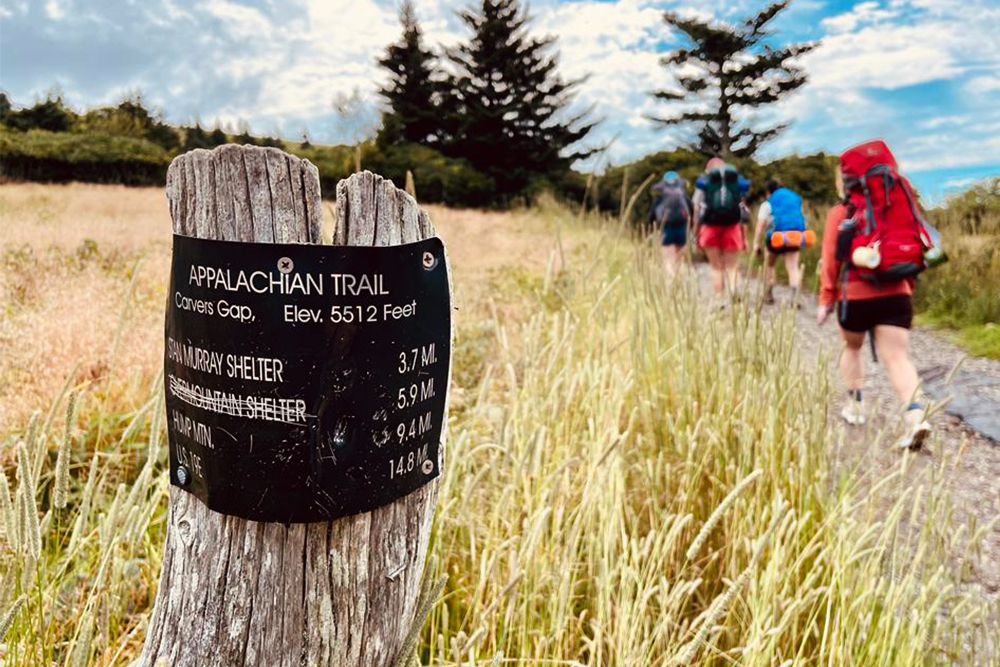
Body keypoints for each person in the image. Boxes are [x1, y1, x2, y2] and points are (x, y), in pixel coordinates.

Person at [816, 141, 932, 450]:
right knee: (897, 357)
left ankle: (855, 407)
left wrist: (826, 299)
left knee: (851, 348)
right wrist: (907, 288)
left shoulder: (841, 212)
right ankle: (916, 414)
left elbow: (831, 262)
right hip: (897, 294)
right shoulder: (900, 206)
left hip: (853, 296)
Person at [693, 158, 750, 300]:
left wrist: (696, 235)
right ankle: (734, 292)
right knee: (732, 266)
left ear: (708, 170)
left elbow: (697, 211)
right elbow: (742, 212)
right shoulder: (734, 182)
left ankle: (720, 300)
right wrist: (744, 238)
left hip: (709, 228)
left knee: (715, 267)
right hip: (732, 227)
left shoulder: (706, 183)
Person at [752, 179, 806, 306]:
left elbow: (760, 224)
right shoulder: (795, 199)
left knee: (769, 265)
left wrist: (756, 243)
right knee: (793, 267)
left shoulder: (768, 203)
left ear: (768, 191)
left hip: (775, 238)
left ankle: (769, 294)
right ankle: (795, 298)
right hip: (794, 236)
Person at [649, 171, 692, 277]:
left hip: (666, 226)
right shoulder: (681, 190)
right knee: (679, 259)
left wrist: (652, 224)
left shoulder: (661, 191)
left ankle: (670, 281)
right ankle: (679, 280)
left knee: (668, 259)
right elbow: (690, 207)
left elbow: (653, 211)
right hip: (682, 226)